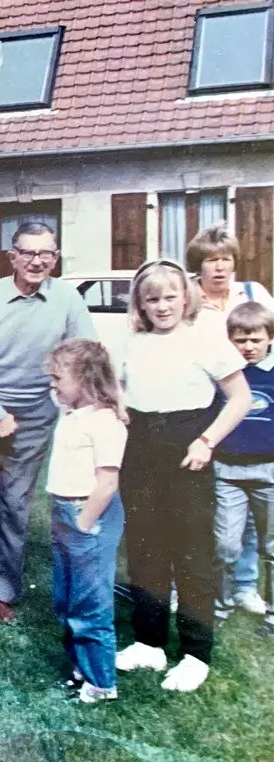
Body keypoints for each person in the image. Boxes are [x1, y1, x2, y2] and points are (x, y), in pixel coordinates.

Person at [114, 259, 250, 693]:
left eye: (171, 296)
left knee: (191, 552)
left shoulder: (204, 337)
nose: (162, 305)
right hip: (140, 447)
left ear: (186, 296)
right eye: (152, 298)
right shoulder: (130, 340)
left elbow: (240, 398)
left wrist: (206, 440)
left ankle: (196, 653)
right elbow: (117, 390)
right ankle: (149, 642)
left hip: (188, 445)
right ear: (140, 302)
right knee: (144, 545)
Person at [0, 222, 95, 627]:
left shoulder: (67, 298)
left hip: (33, 422)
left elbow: (85, 355)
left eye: (45, 253)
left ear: (56, 257)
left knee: (15, 506)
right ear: (11, 256)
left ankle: (4, 591)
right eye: (27, 253)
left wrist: (67, 403)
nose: (36, 261)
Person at [190, 223, 273, 613]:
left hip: (255, 398)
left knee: (260, 515)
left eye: (226, 260)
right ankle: (205, 582)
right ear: (199, 267)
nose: (220, 269)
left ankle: (245, 586)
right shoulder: (190, 300)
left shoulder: (254, 294)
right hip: (208, 401)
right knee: (217, 502)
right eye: (211, 262)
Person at [44, 338, 128, 704]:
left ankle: (101, 681)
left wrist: (84, 521)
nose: (52, 386)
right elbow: (62, 395)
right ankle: (80, 667)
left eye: (58, 378)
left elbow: (107, 482)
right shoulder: (72, 411)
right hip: (65, 511)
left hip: (87, 515)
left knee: (90, 604)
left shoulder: (106, 422)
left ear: (85, 379)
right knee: (67, 599)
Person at [215, 302, 274, 621]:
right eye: (241, 340)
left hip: (270, 471)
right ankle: (221, 603)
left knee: (272, 544)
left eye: (255, 339)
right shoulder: (226, 374)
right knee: (225, 544)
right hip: (228, 472)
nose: (248, 347)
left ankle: (270, 609)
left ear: (270, 337)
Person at [190, 222, 274, 318]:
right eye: (212, 260)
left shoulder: (253, 292)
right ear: (198, 264)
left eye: (226, 259)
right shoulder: (185, 298)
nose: (220, 267)